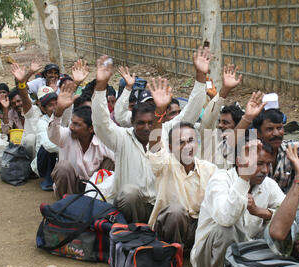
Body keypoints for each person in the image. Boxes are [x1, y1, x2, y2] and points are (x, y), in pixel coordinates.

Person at [92, 47, 211, 223]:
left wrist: (201, 75)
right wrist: (101, 85)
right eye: (141, 123)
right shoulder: (121, 137)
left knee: (177, 208)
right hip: (132, 208)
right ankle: (132, 237)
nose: (146, 127)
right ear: (131, 122)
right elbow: (101, 122)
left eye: (150, 122)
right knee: (129, 193)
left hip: (162, 207)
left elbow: (191, 112)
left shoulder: (167, 130)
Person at [190, 138, 285, 267]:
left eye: (268, 164)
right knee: (227, 228)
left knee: (282, 227)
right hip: (208, 262)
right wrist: (244, 178)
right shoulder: (220, 180)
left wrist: (260, 211)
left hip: (245, 258)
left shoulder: (268, 185)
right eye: (259, 163)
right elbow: (226, 219)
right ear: (240, 162)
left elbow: (289, 213)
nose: (265, 170)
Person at [145, 77, 217, 254]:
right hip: (168, 230)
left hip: (197, 230)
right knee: (176, 212)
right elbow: (155, 147)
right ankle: (171, 258)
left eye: (191, 141)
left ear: (197, 143)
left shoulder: (209, 169)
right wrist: (159, 113)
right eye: (180, 142)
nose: (187, 146)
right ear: (170, 147)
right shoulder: (165, 165)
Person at [237, 96, 299, 193]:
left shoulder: (291, 149)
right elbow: (228, 147)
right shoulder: (248, 151)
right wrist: (247, 118)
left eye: (279, 128)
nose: (276, 133)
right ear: (257, 133)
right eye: (269, 129)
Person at [48, 81, 114, 199]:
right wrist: (59, 111)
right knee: (63, 167)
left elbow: (119, 158)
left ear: (91, 129)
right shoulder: (67, 135)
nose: (71, 127)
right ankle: (66, 206)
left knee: (111, 162)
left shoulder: (102, 140)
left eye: (77, 125)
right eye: (72, 122)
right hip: (72, 187)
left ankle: (99, 203)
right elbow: (53, 134)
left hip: (96, 186)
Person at [199, 64, 243, 169]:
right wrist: (225, 90)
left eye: (225, 123)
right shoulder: (211, 137)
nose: (219, 125)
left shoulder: (244, 146)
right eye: (220, 121)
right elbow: (208, 118)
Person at [30, 85, 59, 191]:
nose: (55, 107)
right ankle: (48, 180)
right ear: (43, 108)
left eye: (57, 104)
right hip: (45, 162)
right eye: (51, 105)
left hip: (60, 158)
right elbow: (48, 145)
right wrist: (68, 148)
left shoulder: (64, 119)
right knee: (46, 148)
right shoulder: (42, 123)